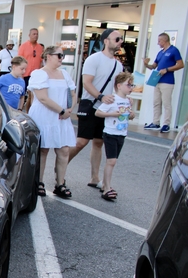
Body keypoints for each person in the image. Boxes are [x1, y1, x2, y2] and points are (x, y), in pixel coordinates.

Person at [68, 28, 123, 188]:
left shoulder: (118, 65)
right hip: (90, 103)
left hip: (105, 107)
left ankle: (94, 177)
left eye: (121, 39)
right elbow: (86, 83)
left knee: (99, 142)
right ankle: (61, 169)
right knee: (81, 142)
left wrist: (123, 100)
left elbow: (117, 87)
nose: (120, 41)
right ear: (106, 41)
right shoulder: (94, 59)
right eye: (117, 39)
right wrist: (100, 96)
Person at [28, 46, 77, 198]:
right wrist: (61, 111)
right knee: (43, 149)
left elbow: (73, 93)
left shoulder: (64, 74)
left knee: (64, 149)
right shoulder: (39, 74)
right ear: (48, 56)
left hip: (61, 117)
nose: (62, 58)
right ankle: (39, 182)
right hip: (45, 114)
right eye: (59, 55)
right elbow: (42, 97)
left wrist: (69, 109)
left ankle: (60, 183)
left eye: (63, 56)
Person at [94, 72, 135, 201]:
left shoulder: (128, 101)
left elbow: (129, 115)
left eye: (132, 85)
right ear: (119, 85)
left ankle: (106, 185)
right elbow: (98, 112)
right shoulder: (112, 99)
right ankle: (107, 188)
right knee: (111, 161)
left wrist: (131, 114)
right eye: (128, 85)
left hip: (121, 133)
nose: (131, 88)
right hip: (111, 133)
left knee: (113, 161)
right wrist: (112, 114)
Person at [143, 32, 185, 133]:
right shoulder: (160, 52)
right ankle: (156, 122)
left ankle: (166, 124)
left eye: (159, 41)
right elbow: (153, 66)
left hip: (168, 81)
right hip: (157, 80)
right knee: (156, 102)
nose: (158, 43)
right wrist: (146, 64)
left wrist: (167, 69)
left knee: (166, 103)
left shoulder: (174, 50)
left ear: (164, 40)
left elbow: (181, 64)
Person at [17, 28, 44, 111]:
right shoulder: (24, 46)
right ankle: (20, 109)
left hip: (35, 75)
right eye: (34, 34)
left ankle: (30, 112)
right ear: (29, 35)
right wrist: (20, 74)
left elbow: (41, 62)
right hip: (25, 74)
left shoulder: (40, 47)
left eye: (37, 34)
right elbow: (19, 60)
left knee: (32, 95)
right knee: (23, 94)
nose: (36, 36)